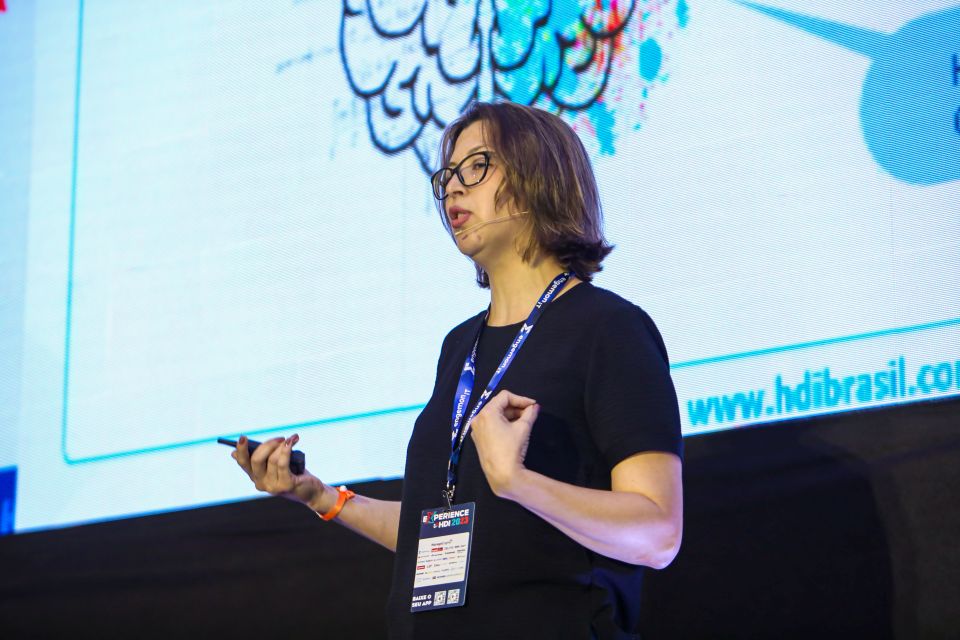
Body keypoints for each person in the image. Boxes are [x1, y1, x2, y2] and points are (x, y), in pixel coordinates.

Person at [230, 101, 683, 639]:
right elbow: (441, 534)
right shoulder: (459, 347)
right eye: (446, 176)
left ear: (539, 177)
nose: (452, 189)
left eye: (476, 167)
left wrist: (517, 482)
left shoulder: (608, 328)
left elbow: (658, 534)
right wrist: (319, 496)